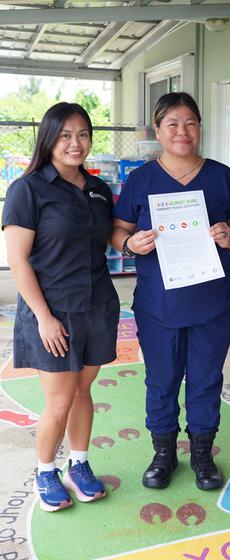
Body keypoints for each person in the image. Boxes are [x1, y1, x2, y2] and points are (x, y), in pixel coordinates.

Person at [112, 92, 230, 491]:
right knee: (161, 380)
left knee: (206, 379)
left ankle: (203, 454)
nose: (182, 131)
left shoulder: (220, 175)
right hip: (159, 305)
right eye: (172, 123)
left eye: (190, 122)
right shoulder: (141, 179)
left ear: (200, 127)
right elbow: (118, 228)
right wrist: (128, 244)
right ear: (157, 130)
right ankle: (164, 452)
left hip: (211, 302)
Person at [2, 102, 120, 512]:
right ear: (49, 138)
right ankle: (45, 471)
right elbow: (18, 261)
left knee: (83, 390)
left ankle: (79, 464)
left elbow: (110, 240)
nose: (76, 143)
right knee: (59, 399)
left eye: (83, 134)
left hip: (97, 304)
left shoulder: (99, 189)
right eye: (66, 135)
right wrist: (45, 318)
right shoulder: (28, 189)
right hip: (53, 309)